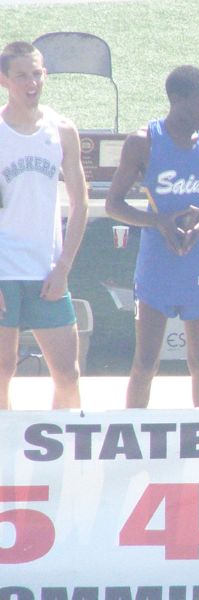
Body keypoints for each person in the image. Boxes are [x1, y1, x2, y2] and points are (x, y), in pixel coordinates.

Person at [106, 65, 199, 408]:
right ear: (177, 100)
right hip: (158, 263)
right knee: (146, 361)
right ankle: (132, 435)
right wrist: (157, 221)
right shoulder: (145, 141)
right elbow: (113, 204)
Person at [0, 41, 89, 410]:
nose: (31, 82)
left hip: (47, 271)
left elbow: (81, 202)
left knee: (67, 374)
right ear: (5, 80)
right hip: (4, 272)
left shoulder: (62, 129)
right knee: (2, 371)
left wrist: (63, 266)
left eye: (37, 73)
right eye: (22, 75)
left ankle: (62, 458)